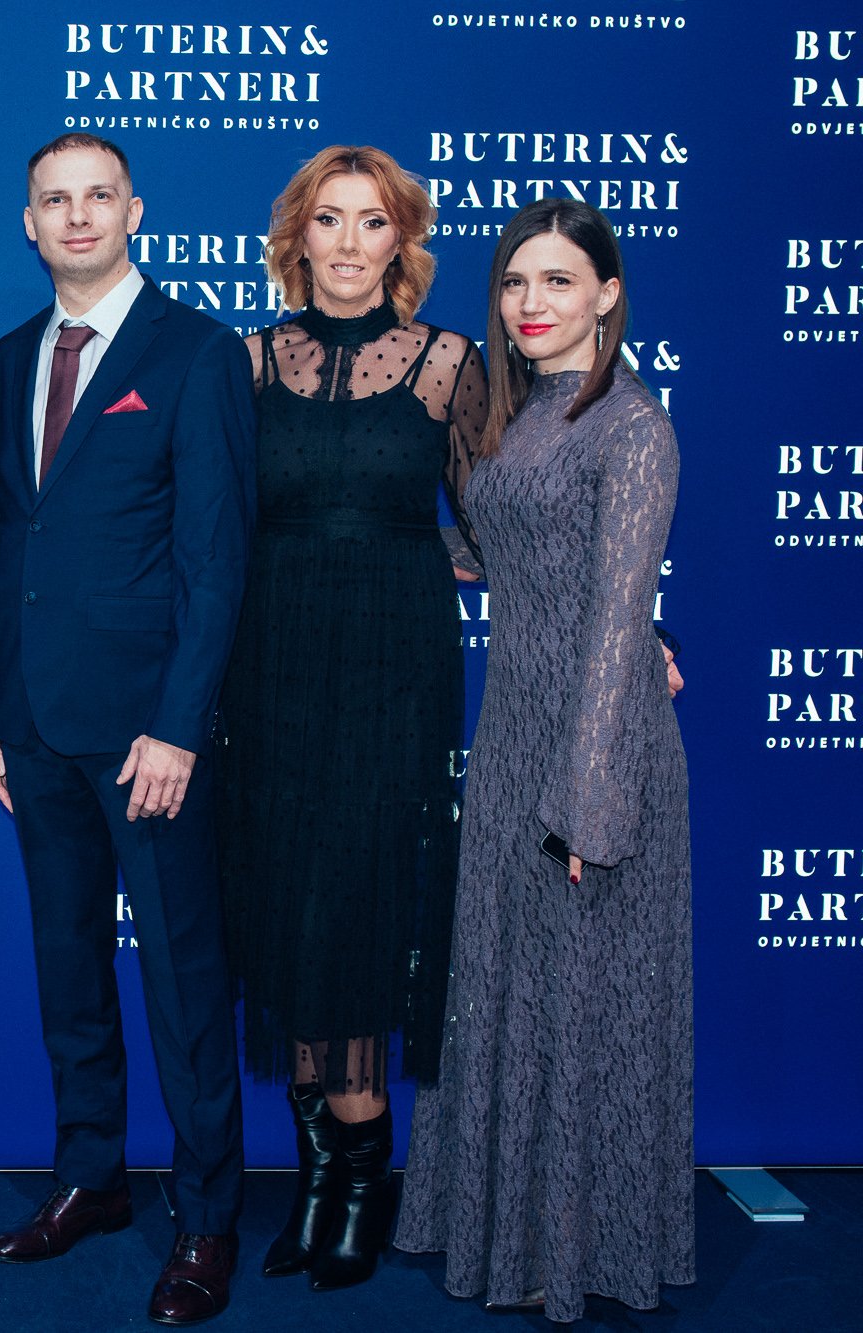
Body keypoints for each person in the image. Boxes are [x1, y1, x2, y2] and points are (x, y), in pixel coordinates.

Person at [0, 133, 255, 1326]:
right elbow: (9, 545)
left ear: (132, 211)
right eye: (53, 201)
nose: (76, 217)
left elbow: (215, 554)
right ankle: (88, 1176)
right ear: (26, 223)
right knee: (66, 968)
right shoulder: (3, 361)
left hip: (147, 735)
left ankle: (203, 1221)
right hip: (31, 720)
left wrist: (178, 725)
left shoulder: (194, 352)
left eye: (97, 196)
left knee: (183, 983)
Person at [394, 199, 692, 1324]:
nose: (530, 305)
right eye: (516, 283)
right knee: (505, 995)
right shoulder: (507, 419)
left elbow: (618, 623)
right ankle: (506, 1228)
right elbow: (477, 548)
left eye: (558, 283)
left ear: (606, 294)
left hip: (593, 745)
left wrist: (587, 797)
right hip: (510, 730)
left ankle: (581, 1250)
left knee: (584, 1005)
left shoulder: (631, 427)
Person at [212, 146, 487, 1292]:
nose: (342, 243)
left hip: (391, 666)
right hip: (270, 667)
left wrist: (632, 632)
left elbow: (500, 522)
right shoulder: (244, 363)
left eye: (368, 223)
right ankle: (318, 1171)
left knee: (366, 901)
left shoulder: (449, 364)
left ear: (399, 241)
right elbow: (205, 524)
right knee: (287, 902)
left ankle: (359, 1181)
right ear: (295, 239)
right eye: (324, 221)